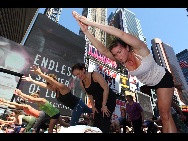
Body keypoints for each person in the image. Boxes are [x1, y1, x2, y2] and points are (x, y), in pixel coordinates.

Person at [72, 11, 177, 133]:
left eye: (120, 51)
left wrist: (90, 23)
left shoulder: (140, 48)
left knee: (165, 115)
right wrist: (86, 31)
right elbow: (103, 50)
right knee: (164, 116)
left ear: (127, 47)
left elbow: (120, 33)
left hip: (162, 78)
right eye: (115, 54)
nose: (119, 56)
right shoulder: (122, 61)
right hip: (151, 85)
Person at [21, 65, 92, 126]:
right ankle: (92, 116)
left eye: (52, 86)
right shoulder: (54, 89)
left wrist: (40, 74)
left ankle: (87, 121)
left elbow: (51, 81)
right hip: (77, 105)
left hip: (78, 105)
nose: (51, 88)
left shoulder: (62, 87)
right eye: (50, 87)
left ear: (55, 83)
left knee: (72, 125)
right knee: (92, 111)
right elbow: (43, 85)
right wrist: (32, 81)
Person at [72, 63, 116, 133]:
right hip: (98, 101)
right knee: (97, 122)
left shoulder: (94, 75)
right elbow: (89, 95)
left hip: (109, 98)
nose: (78, 76)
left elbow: (106, 88)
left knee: (104, 119)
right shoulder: (81, 83)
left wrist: (104, 105)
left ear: (83, 70)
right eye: (76, 75)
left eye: (78, 73)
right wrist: (93, 106)